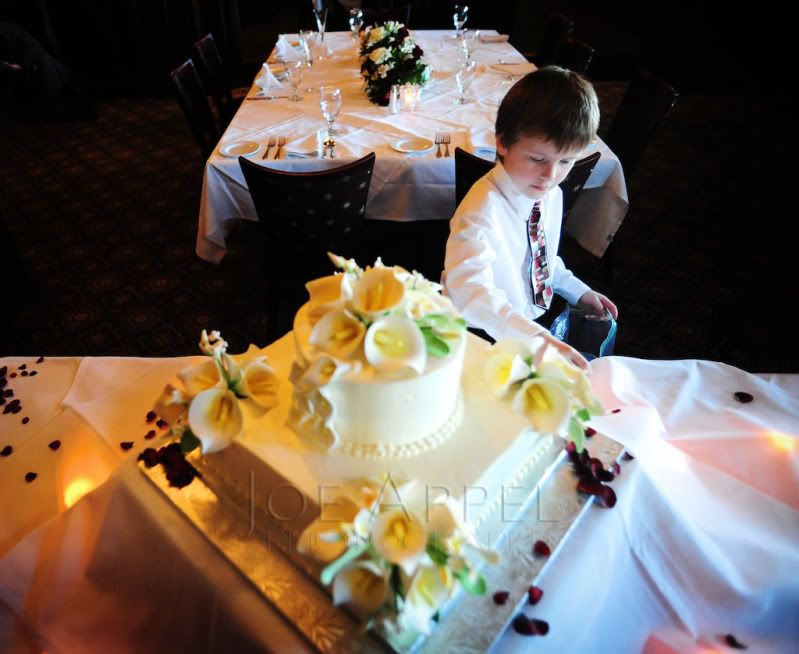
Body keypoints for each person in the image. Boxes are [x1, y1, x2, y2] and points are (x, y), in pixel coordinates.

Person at [443, 66, 618, 370]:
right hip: (490, 336)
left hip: (533, 324)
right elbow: (467, 291)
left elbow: (542, 258)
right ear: (503, 143)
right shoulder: (482, 210)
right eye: (538, 159)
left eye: (566, 161)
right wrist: (538, 341)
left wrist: (578, 291)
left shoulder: (549, 194)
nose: (551, 175)